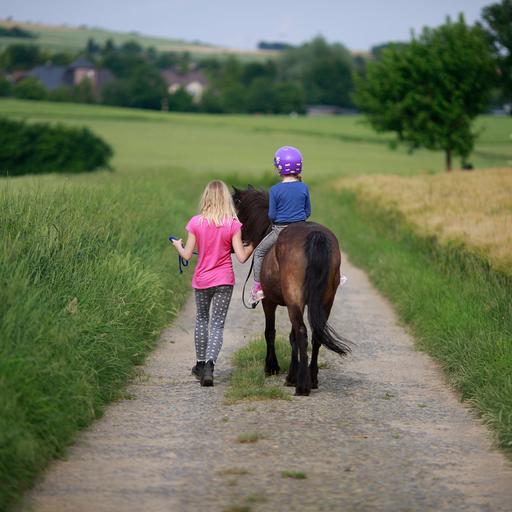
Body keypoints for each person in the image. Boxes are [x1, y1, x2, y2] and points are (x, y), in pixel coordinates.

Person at [171, 180, 253, 387]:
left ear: (206, 197)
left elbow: (187, 255)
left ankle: (199, 364)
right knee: (217, 325)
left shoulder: (196, 222)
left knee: (201, 320)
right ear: (226, 198)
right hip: (224, 280)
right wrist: (253, 244)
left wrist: (177, 246)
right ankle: (209, 366)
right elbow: (242, 257)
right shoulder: (233, 224)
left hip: (202, 280)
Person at [250, 146, 311, 304]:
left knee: (259, 253)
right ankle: (337, 275)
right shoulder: (304, 187)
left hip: (280, 230)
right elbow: (308, 211)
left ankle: (258, 288)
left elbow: (271, 215)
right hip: (302, 228)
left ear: (280, 168)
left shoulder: (275, 190)